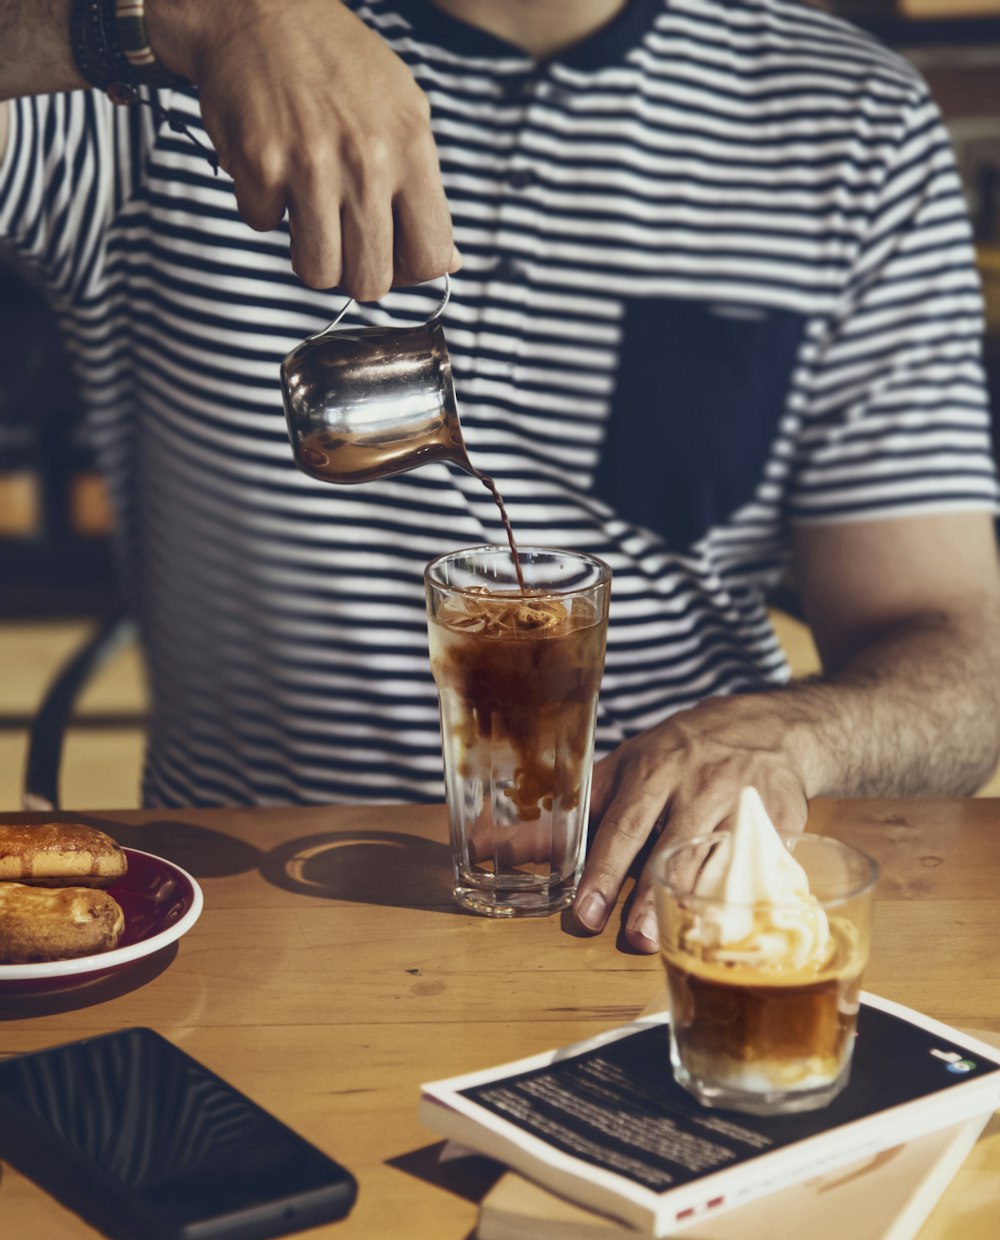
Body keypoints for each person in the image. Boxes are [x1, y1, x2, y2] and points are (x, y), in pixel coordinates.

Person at [2, 0, 999, 954]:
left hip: (646, 920)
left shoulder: (850, 121)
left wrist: (794, 737)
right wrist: (193, 15)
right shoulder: (158, 84)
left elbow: (965, 662)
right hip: (242, 914)